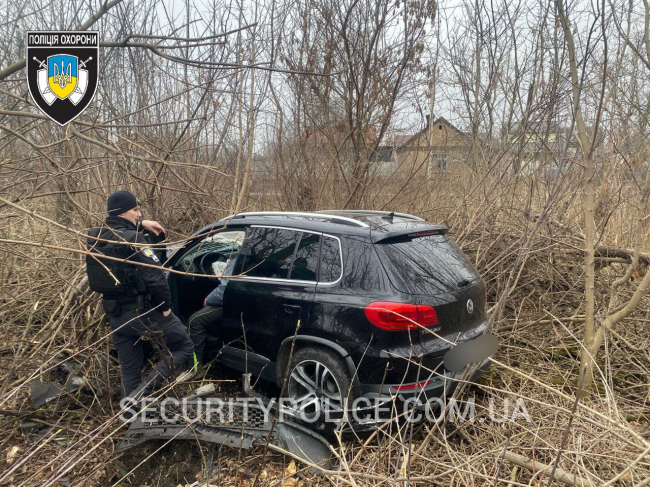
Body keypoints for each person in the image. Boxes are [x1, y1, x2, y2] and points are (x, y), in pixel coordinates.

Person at [86, 190, 194, 399]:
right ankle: (141, 395)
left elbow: (115, 230)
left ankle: (129, 414)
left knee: (129, 369)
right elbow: (156, 278)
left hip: (115, 315)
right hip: (143, 313)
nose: (139, 213)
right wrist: (165, 308)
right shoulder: (133, 239)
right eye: (135, 209)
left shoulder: (94, 235)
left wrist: (141, 224)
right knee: (184, 347)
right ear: (123, 212)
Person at [185, 253, 238, 366]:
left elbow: (225, 290)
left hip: (235, 302)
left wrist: (208, 300)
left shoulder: (239, 259)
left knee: (194, 320)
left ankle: (194, 367)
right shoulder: (255, 254)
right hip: (250, 300)